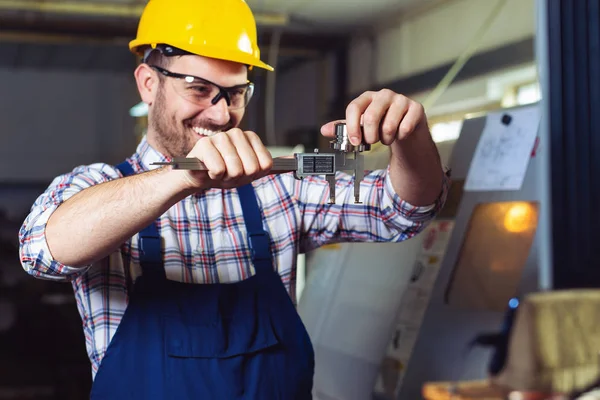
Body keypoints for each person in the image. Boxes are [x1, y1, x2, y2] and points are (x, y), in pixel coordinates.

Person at [18, 0, 449, 398]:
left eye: (235, 93)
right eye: (198, 89)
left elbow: (402, 211)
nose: (222, 114)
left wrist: (410, 138)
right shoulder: (95, 185)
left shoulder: (278, 187)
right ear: (149, 84)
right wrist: (183, 177)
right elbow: (41, 251)